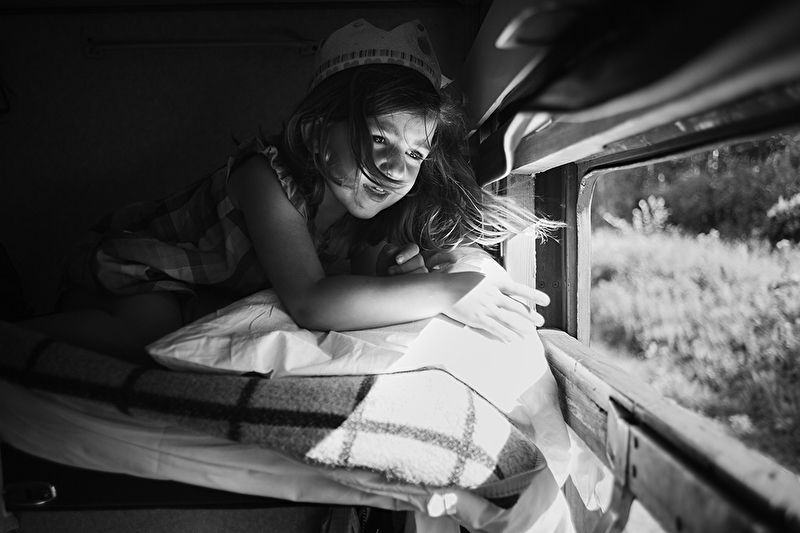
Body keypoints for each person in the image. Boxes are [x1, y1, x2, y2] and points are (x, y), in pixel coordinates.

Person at [20, 19, 561, 366]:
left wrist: (436, 274)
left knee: (198, 324)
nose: (397, 168)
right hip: (134, 270)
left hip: (200, 290)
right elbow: (311, 301)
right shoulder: (264, 177)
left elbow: (368, 287)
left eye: (416, 154)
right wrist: (448, 291)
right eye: (378, 138)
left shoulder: (370, 213)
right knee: (150, 333)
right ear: (317, 135)